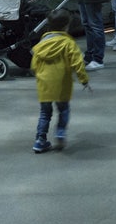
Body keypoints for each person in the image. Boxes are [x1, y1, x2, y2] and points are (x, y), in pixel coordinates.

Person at [30, 12, 92, 153]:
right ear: (66, 27)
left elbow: (34, 65)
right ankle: (60, 132)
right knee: (63, 109)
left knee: (45, 113)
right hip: (62, 84)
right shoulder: (68, 43)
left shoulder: (41, 44)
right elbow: (78, 63)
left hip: (44, 85)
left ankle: (40, 141)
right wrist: (84, 80)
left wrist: (38, 74)